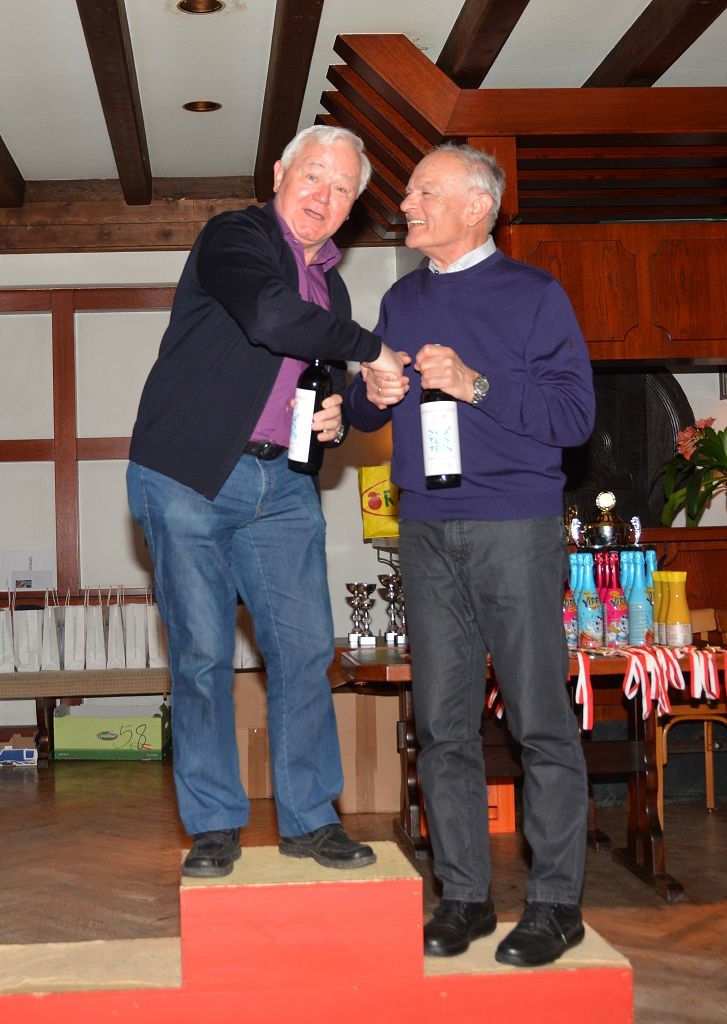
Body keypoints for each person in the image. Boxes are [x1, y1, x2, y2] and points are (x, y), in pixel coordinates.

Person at [127, 124, 406, 878]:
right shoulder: (235, 237)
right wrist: (371, 349)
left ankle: (311, 820)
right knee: (202, 655)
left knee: (306, 649)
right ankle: (215, 823)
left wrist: (339, 410)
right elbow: (270, 318)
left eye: (342, 187)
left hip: (282, 485)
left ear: (352, 206)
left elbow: (319, 382)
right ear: (280, 171)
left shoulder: (333, 287)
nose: (323, 196)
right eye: (313, 175)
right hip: (188, 473)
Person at [345, 143, 596, 967]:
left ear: (477, 207)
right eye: (410, 192)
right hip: (423, 527)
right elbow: (366, 407)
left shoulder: (534, 295)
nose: (406, 204)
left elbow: (574, 419)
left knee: (538, 720)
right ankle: (464, 897)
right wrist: (369, 393)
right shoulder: (401, 298)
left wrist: (475, 383)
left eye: (425, 191)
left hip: (513, 526)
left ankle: (555, 905)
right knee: (443, 725)